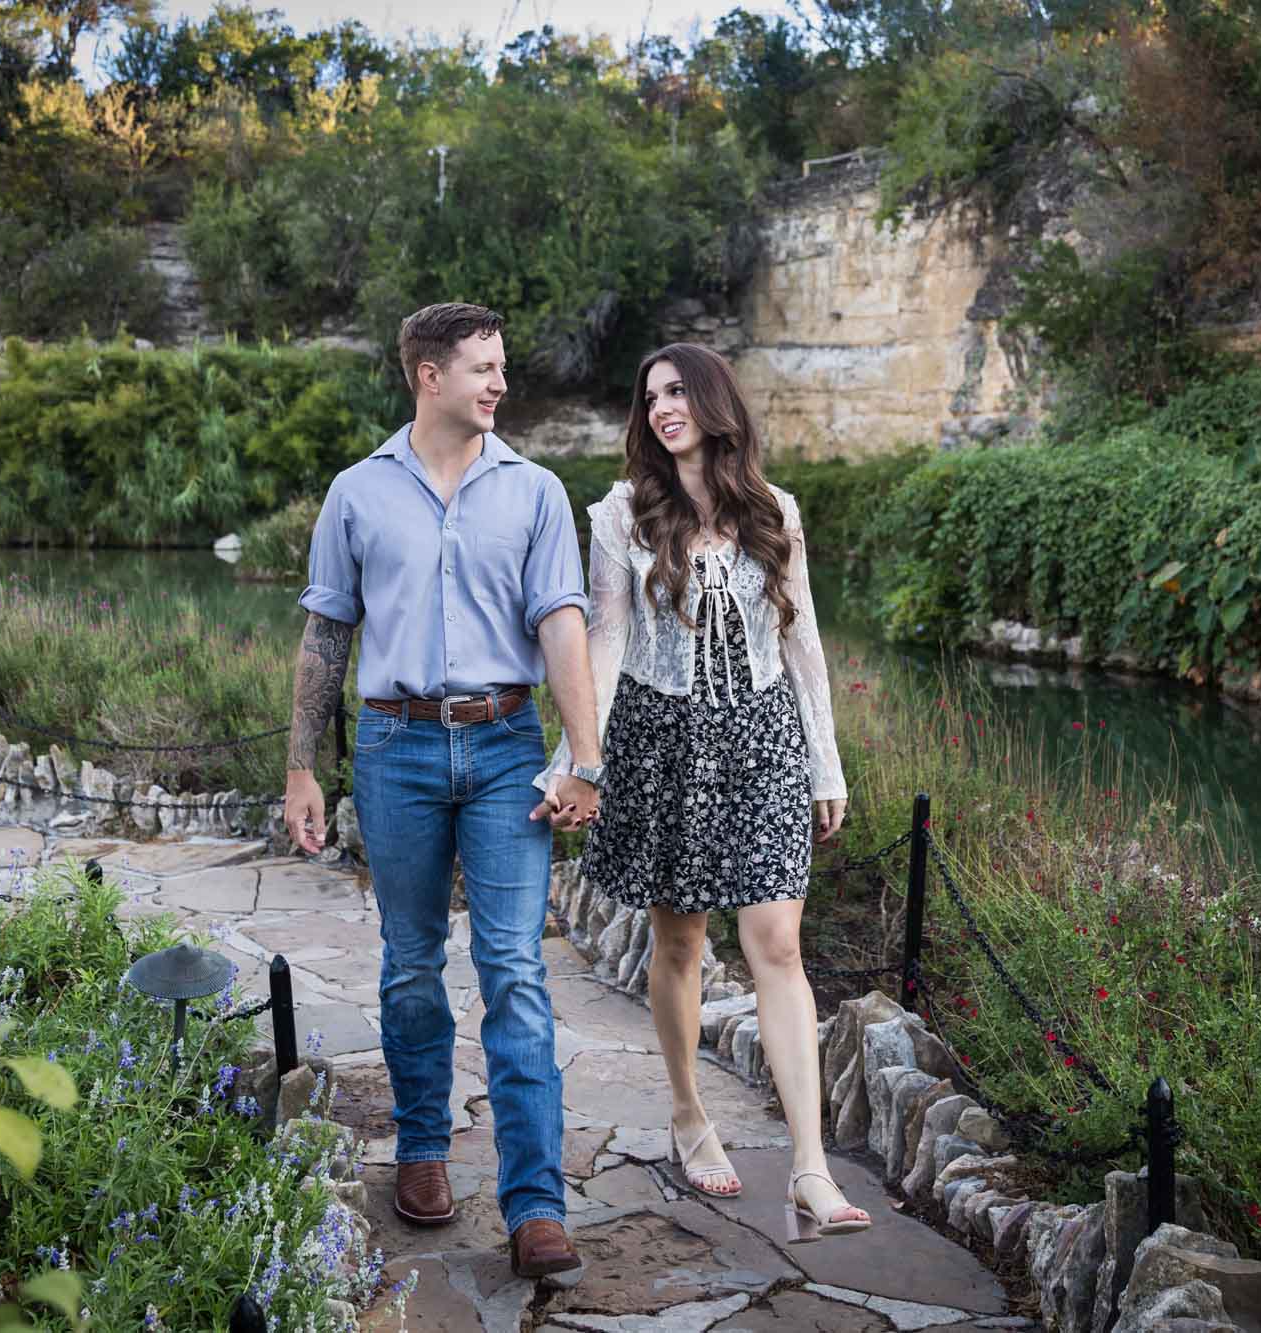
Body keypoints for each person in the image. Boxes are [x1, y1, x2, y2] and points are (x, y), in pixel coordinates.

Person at [284, 302, 606, 1279]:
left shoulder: (535, 491)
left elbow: (560, 622)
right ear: (428, 375)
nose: (499, 383)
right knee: (412, 959)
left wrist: (582, 757)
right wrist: (302, 763)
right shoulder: (356, 493)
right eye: (482, 368)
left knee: (512, 966)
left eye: (501, 365)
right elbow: (325, 636)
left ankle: (535, 1204)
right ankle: (421, 1149)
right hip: (395, 749)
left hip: (508, 745)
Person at [537, 342, 871, 1242]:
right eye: (650, 397)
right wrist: (577, 758)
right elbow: (603, 644)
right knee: (680, 942)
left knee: (778, 944)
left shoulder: (775, 511)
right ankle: (689, 1111)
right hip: (663, 739)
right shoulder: (621, 515)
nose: (662, 408)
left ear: (715, 400)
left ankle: (809, 1165)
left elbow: (803, 648)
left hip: (763, 738)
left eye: (678, 391)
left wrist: (825, 764)